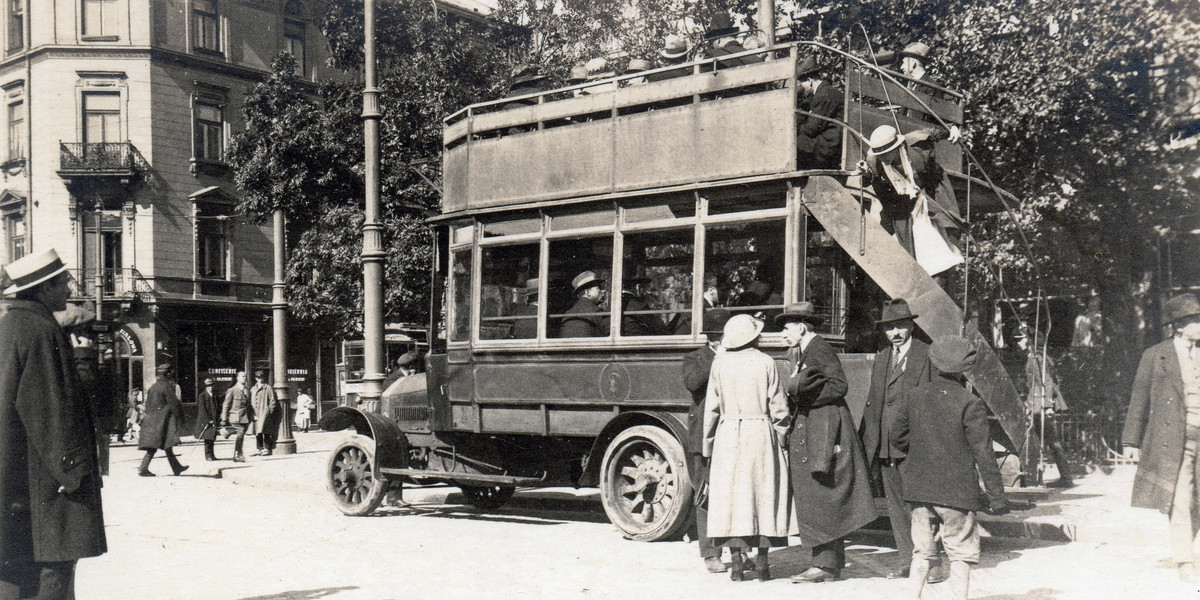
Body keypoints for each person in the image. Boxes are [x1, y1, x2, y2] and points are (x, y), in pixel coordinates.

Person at [0, 248, 107, 597]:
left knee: (13, 571)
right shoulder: (42, 330)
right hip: (42, 482)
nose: (69, 288)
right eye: (63, 281)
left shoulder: (9, 326)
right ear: (44, 288)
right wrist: (72, 471)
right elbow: (50, 409)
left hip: (12, 477)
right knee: (54, 570)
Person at [893, 336, 1009, 600]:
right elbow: (984, 453)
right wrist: (997, 498)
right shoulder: (970, 403)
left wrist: (920, 451)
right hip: (957, 492)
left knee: (921, 552)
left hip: (920, 489)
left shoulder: (914, 396)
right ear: (965, 368)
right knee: (961, 552)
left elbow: (896, 435)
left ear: (934, 361)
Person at [777, 302, 876, 583]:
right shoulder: (808, 350)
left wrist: (800, 394)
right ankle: (825, 564)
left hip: (823, 430)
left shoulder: (817, 349)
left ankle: (825, 566)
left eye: (786, 328)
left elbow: (838, 385)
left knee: (821, 495)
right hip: (819, 429)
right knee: (820, 496)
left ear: (800, 327)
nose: (783, 334)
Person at [702, 314, 796, 582]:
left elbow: (712, 408)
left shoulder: (719, 363)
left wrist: (708, 445)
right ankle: (764, 564)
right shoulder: (766, 362)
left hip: (728, 434)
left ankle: (735, 564)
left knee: (733, 500)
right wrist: (781, 435)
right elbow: (779, 407)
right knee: (763, 497)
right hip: (760, 433)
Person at [859, 299, 947, 582]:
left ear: (910, 325)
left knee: (923, 505)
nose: (895, 332)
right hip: (886, 444)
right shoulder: (884, 356)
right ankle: (907, 561)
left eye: (900, 325)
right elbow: (875, 403)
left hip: (916, 443)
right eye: (889, 328)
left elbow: (936, 402)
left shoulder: (927, 354)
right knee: (896, 506)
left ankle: (932, 564)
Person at [1123, 292, 1200, 582]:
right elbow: (1139, 398)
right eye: (1196, 321)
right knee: (1180, 498)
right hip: (1173, 441)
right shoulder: (1156, 355)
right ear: (1180, 325)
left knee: (1197, 502)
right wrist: (1131, 441)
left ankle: (1186, 549)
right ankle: (1184, 560)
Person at [865, 124, 964, 272]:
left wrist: (953, 129)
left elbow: (935, 131)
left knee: (942, 231)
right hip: (903, 202)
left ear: (896, 147)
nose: (883, 157)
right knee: (907, 243)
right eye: (879, 154)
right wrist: (865, 174)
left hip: (932, 188)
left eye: (886, 153)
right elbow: (872, 184)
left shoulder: (916, 142)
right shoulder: (874, 162)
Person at [681, 308, 733, 574]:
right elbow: (693, 383)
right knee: (705, 493)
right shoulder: (695, 358)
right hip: (704, 436)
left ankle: (737, 550)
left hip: (732, 433)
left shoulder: (736, 357)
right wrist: (717, 359)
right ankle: (711, 554)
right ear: (716, 338)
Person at [1016, 328, 1073, 487]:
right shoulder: (1037, 357)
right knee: (1050, 440)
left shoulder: (1037, 359)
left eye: (1021, 339)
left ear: (1029, 341)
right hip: (1035, 402)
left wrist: (1048, 405)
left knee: (1042, 440)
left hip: (1039, 404)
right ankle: (1064, 477)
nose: (1018, 342)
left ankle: (1037, 479)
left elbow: (1047, 382)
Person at [137, 363, 189, 477]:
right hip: (162, 421)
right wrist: (181, 419)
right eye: (171, 372)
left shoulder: (153, 387)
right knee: (154, 446)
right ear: (168, 373)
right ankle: (143, 469)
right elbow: (174, 404)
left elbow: (148, 404)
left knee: (166, 444)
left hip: (152, 420)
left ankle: (177, 468)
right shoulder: (167, 386)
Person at [795, 55, 844, 169]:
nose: (801, 89)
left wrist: (794, 129)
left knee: (793, 144)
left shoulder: (823, 95)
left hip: (829, 144)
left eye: (801, 84)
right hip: (832, 139)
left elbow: (811, 129)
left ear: (809, 81)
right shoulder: (826, 91)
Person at [560, 271, 609, 337]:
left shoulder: (568, 313)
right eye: (599, 288)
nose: (602, 291)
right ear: (588, 292)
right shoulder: (596, 312)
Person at [621, 268, 667, 336]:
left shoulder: (613, 304)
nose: (645, 291)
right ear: (638, 287)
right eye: (644, 287)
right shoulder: (640, 305)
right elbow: (658, 326)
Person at [220, 370, 252, 462]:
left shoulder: (247, 389)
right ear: (237, 378)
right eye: (242, 376)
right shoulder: (232, 390)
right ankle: (238, 455)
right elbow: (226, 405)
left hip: (245, 417)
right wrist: (224, 419)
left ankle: (228, 432)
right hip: (235, 417)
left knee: (241, 435)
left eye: (245, 376)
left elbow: (248, 404)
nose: (245, 378)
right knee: (241, 432)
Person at [250, 369, 278, 456]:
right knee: (258, 432)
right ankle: (259, 448)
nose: (260, 379)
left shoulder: (268, 388)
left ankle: (267, 449)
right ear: (256, 378)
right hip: (255, 413)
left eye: (261, 377)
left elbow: (272, 400)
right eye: (258, 377)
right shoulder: (253, 389)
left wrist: (270, 411)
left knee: (266, 431)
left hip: (264, 412)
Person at [195, 378, 221, 461]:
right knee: (207, 438)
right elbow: (202, 410)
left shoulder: (215, 396)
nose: (211, 387)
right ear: (206, 387)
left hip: (214, 419)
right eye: (208, 386)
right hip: (206, 421)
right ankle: (208, 455)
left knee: (212, 438)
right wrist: (208, 420)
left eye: (212, 385)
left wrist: (217, 418)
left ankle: (212, 454)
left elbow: (218, 407)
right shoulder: (202, 396)